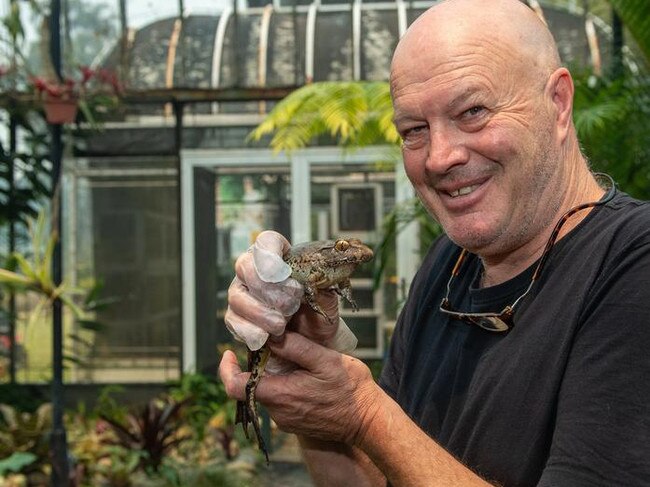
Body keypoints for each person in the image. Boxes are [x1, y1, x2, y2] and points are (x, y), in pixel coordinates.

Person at [219, 0, 650, 485]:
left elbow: (379, 429)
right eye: (414, 130)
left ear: (558, 103)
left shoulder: (631, 266)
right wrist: (303, 358)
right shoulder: (450, 264)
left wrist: (366, 413)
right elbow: (381, 478)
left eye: (473, 111)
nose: (440, 157)